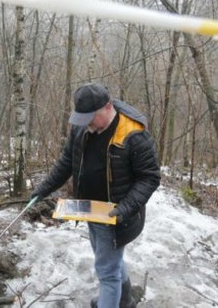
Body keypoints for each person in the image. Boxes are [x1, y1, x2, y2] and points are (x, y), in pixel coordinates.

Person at [31, 82, 160, 308]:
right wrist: (43, 189)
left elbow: (149, 178)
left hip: (118, 214)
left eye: (91, 117)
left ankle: (112, 299)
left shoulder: (133, 134)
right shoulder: (82, 127)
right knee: (110, 259)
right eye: (82, 118)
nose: (87, 124)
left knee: (107, 272)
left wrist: (125, 209)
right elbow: (66, 162)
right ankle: (124, 299)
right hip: (90, 209)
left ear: (108, 107)